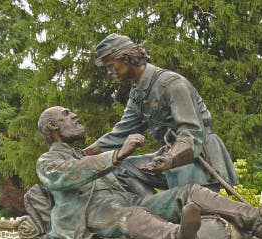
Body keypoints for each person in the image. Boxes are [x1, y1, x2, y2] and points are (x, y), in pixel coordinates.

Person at [36, 106, 262, 239]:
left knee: (188, 192)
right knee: (131, 215)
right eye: (66, 115)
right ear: (51, 127)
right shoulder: (47, 162)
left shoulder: (86, 156)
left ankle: (256, 217)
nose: (75, 116)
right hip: (90, 215)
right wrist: (116, 154)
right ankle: (180, 237)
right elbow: (68, 175)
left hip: (129, 201)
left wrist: (170, 155)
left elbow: (136, 166)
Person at [83, 33, 239, 195]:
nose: (108, 72)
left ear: (126, 59)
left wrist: (171, 158)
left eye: (110, 65)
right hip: (168, 157)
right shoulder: (137, 95)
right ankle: (156, 211)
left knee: (196, 214)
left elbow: (192, 133)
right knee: (120, 170)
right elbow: (119, 135)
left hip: (196, 157)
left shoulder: (172, 84)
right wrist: (81, 155)